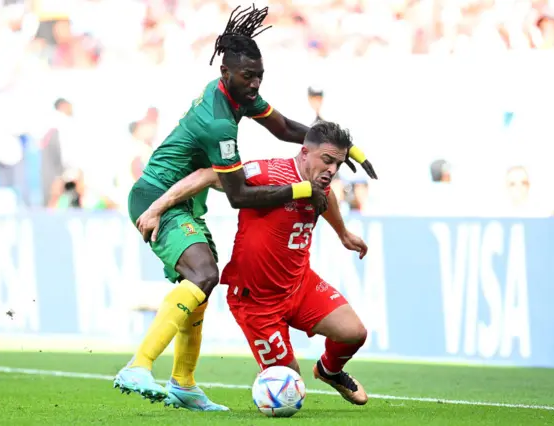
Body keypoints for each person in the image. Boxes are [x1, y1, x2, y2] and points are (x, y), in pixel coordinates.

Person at [113, 5, 376, 411]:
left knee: (200, 287)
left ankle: (183, 382)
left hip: (186, 205)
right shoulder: (220, 124)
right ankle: (139, 364)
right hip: (159, 196)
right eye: (248, 76)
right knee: (204, 276)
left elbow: (288, 128)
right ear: (226, 75)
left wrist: (344, 149)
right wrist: (301, 190)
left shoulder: (237, 95)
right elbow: (235, 193)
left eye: (259, 76)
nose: (255, 85)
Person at [138, 121, 369, 405]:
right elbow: (207, 176)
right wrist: (157, 207)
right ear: (305, 152)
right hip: (256, 301)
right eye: (328, 160)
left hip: (299, 285)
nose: (333, 170)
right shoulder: (267, 172)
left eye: (338, 164)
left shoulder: (320, 184)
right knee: (288, 383)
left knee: (355, 333)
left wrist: (343, 233)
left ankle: (329, 371)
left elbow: (325, 199)